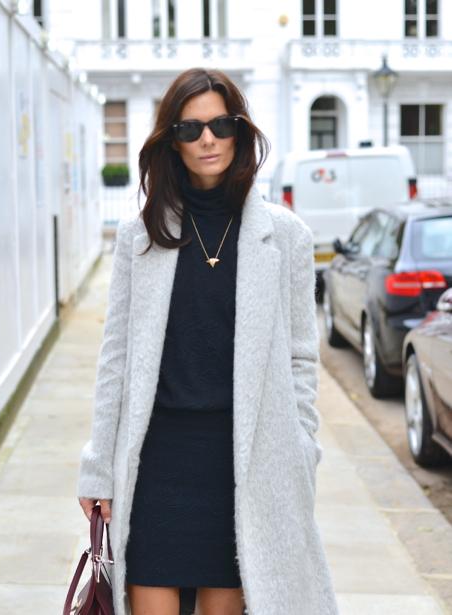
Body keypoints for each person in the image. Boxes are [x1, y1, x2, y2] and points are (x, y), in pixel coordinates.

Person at [77, 67, 339, 615]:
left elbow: (300, 357)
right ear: (171, 141)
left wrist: (302, 449)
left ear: (239, 131)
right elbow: (115, 360)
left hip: (246, 464)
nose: (208, 139)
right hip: (157, 465)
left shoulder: (285, 236)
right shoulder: (140, 236)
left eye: (221, 125)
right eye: (190, 129)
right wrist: (98, 465)